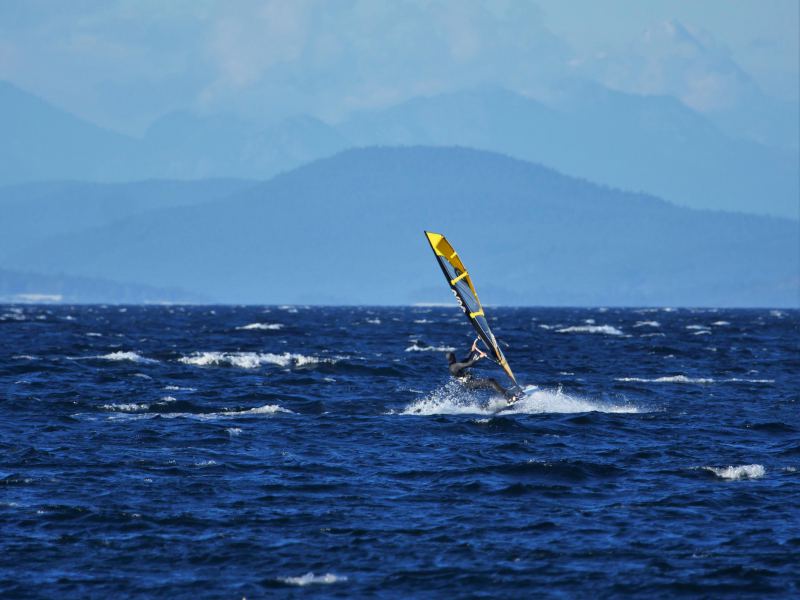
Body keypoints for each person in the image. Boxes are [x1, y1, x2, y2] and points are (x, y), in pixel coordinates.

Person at [447, 338, 513, 399]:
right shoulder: (454, 366)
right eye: (454, 356)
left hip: (469, 383)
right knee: (491, 382)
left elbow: (466, 359)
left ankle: (506, 393)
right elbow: (469, 364)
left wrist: (472, 350)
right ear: (453, 358)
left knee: (491, 383)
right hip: (470, 383)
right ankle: (508, 398)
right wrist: (479, 357)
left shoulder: (453, 365)